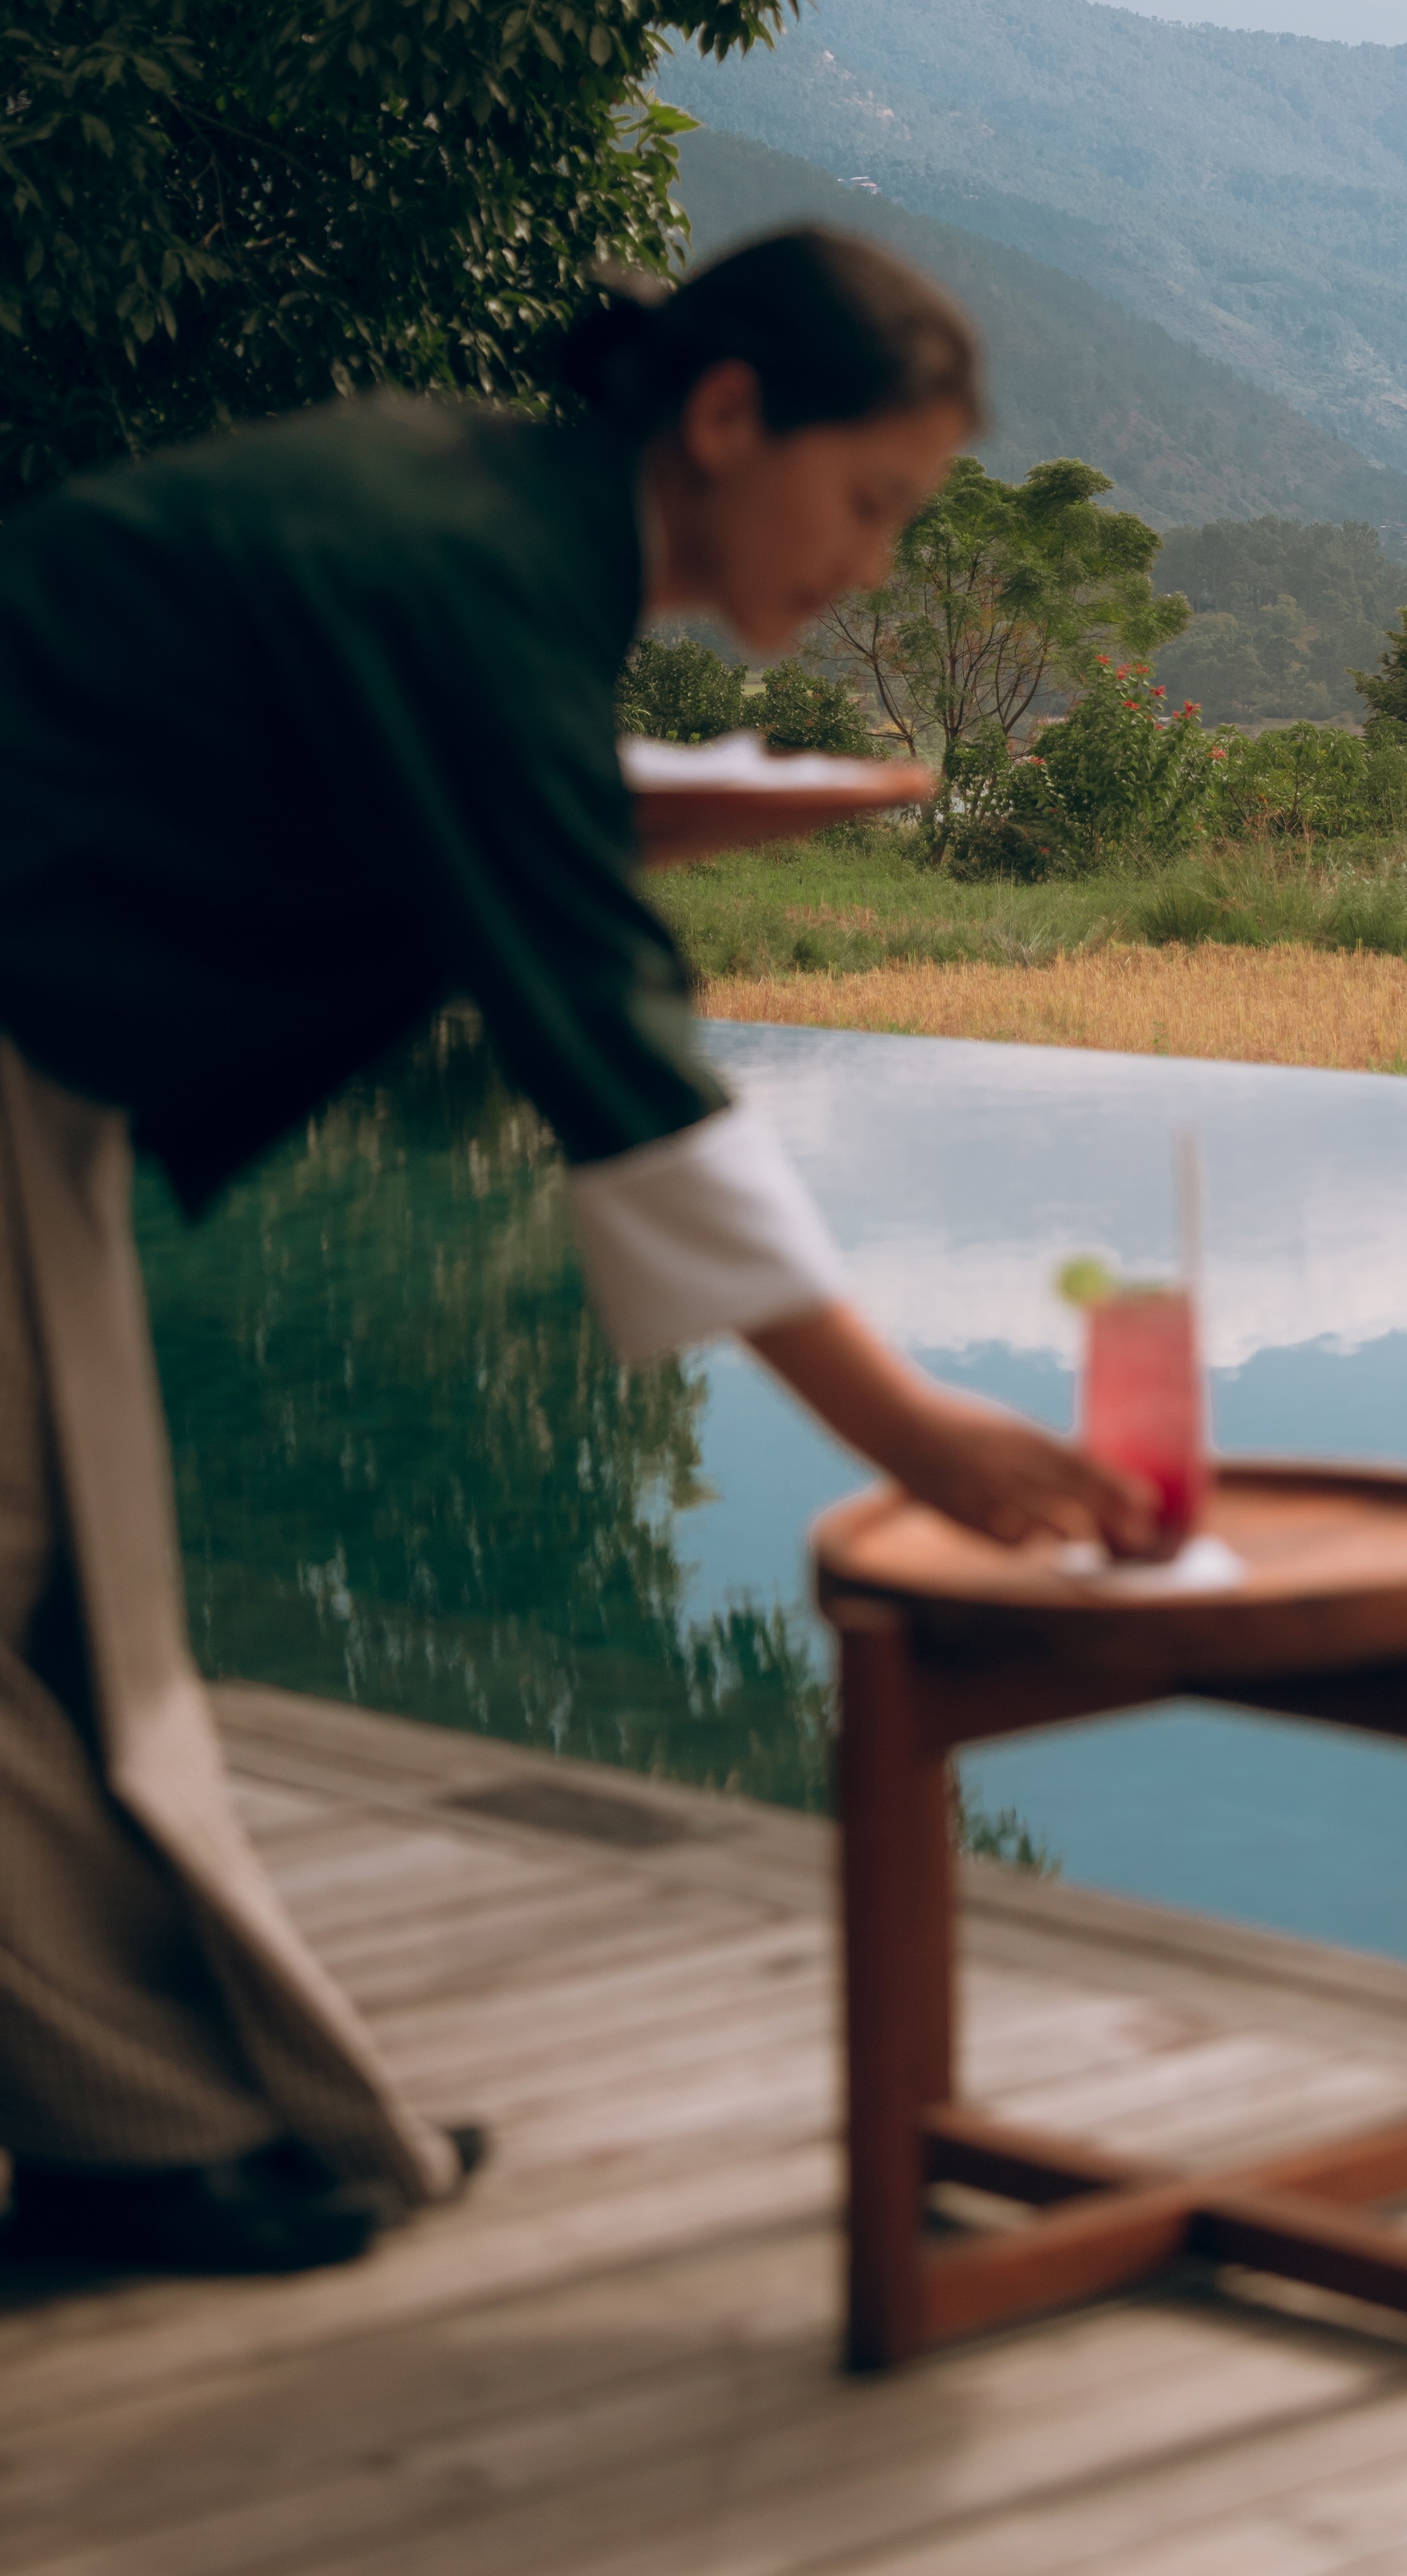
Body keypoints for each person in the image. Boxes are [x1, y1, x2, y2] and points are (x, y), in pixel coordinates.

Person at [0, 228, 1151, 2277]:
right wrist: (910, 1430)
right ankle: (148, 2131)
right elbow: (613, 1063)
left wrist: (623, 817)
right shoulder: (471, 570)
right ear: (726, 418)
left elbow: (412, 792)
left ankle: (160, 2120)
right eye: (870, 501)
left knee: (69, 1595)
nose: (877, 562)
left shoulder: (487, 520)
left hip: (39, 1080)